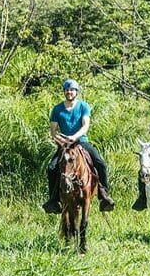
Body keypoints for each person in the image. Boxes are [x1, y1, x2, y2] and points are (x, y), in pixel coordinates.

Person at [42, 79, 115, 214]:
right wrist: (62, 141)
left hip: (81, 142)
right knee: (52, 168)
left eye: (72, 90)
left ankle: (104, 195)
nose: (69, 92)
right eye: (67, 90)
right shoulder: (57, 109)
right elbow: (53, 131)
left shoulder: (83, 106)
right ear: (64, 92)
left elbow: (85, 125)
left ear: (76, 92)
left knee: (100, 164)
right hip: (64, 145)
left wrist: (74, 137)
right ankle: (53, 200)